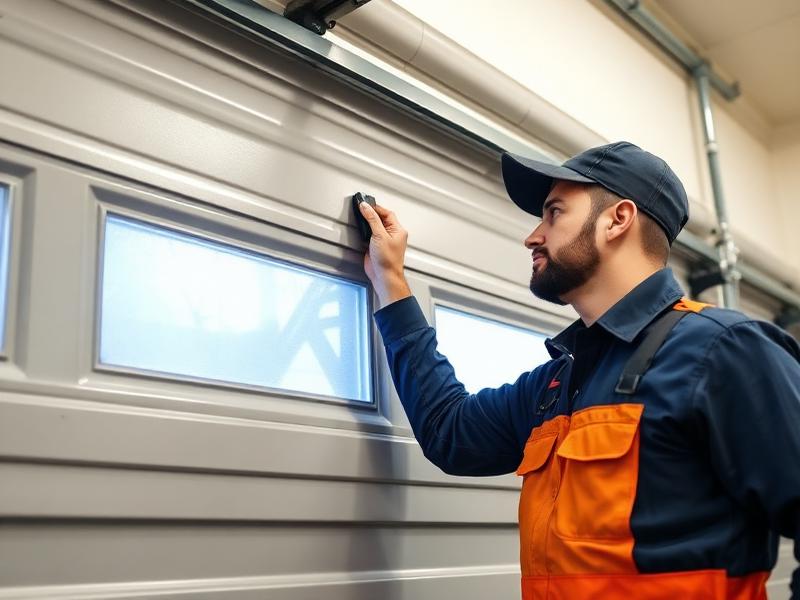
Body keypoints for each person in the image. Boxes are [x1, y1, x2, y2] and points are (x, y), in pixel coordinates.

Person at [356, 141, 800, 600]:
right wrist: (391, 282)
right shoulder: (557, 384)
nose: (533, 236)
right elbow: (448, 431)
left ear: (617, 220)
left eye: (554, 213)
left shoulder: (722, 351)